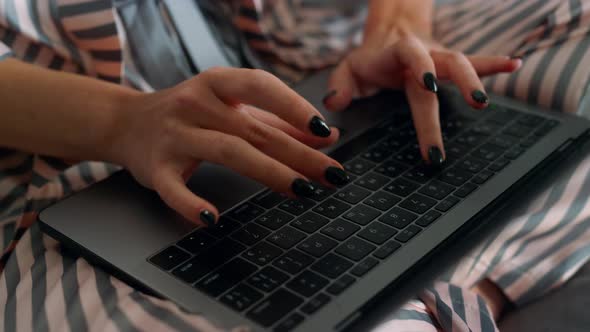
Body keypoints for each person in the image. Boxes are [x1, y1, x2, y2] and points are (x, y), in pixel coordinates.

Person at [0, 0, 589, 331]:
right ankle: (461, 282)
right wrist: (126, 123)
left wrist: (396, 29)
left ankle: (421, 289)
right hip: (86, 142)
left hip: (310, 46)